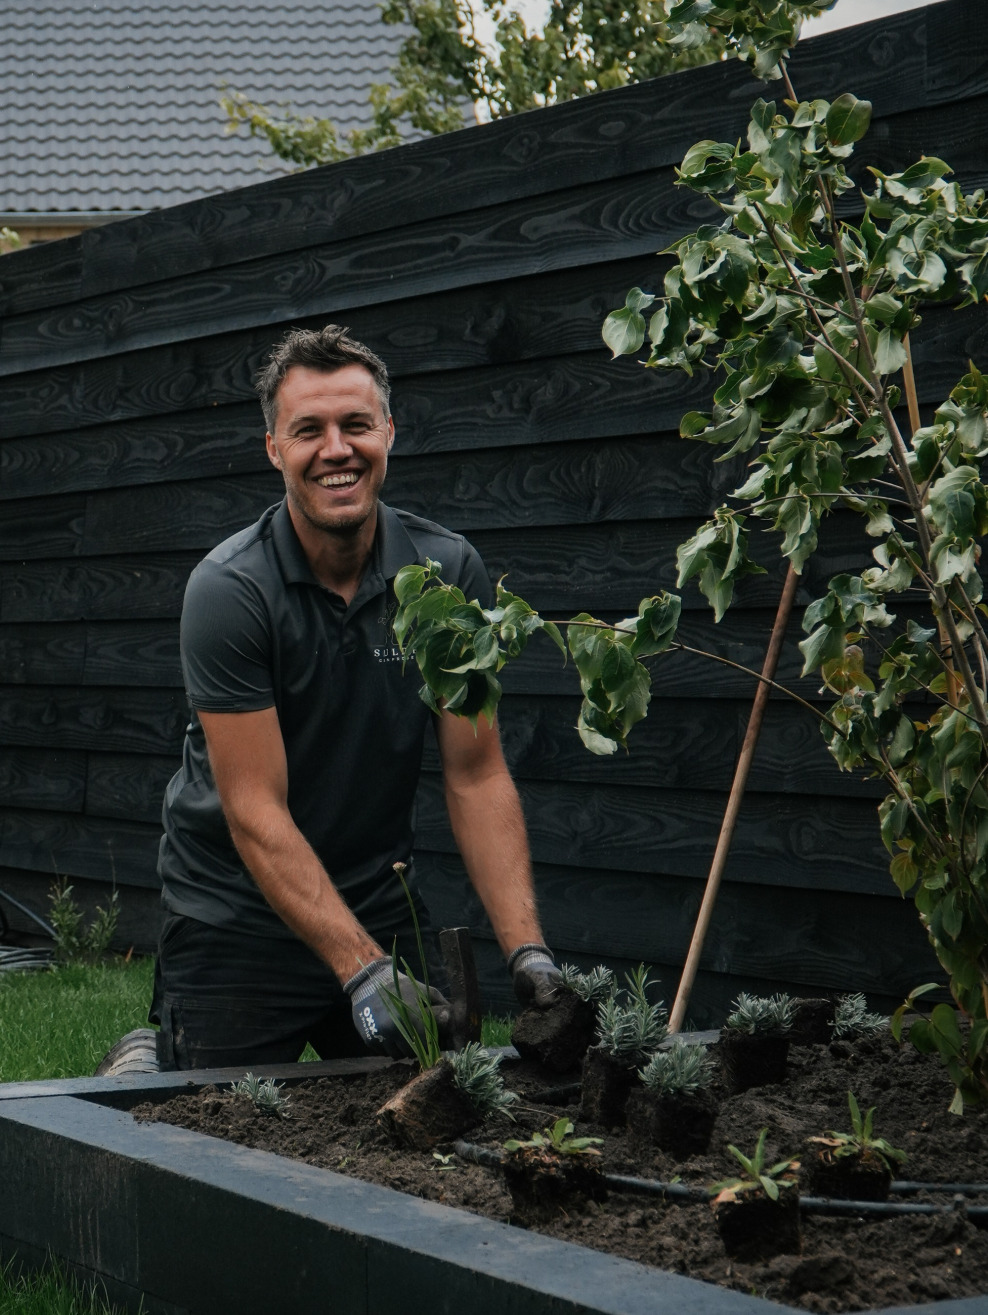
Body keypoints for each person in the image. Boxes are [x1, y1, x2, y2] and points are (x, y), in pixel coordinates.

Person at [149, 324, 561, 1069]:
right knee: (205, 1129)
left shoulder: (446, 576)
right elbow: (254, 808)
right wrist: (364, 971)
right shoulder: (230, 590)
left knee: (440, 1117)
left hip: (378, 902)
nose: (335, 449)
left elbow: (475, 775)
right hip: (235, 919)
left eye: (356, 425)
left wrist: (528, 954)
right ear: (274, 448)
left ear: (389, 433)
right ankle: (143, 1060)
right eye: (308, 430)